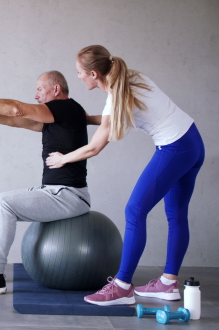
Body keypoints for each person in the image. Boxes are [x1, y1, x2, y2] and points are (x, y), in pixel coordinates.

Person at [46, 45, 205, 306]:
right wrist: (86, 119)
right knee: (176, 214)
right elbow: (114, 115)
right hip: (193, 143)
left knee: (134, 211)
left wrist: (63, 158)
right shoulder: (131, 78)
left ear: (94, 74)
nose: (77, 77)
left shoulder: (116, 96)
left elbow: (95, 146)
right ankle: (167, 283)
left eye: (79, 73)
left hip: (175, 148)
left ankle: (121, 287)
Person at [0, 71, 92, 295]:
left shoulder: (66, 108)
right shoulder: (57, 117)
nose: (36, 95)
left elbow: (16, 108)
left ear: (56, 89)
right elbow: (13, 120)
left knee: (4, 203)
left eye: (40, 90)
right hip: (56, 192)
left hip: (70, 196)